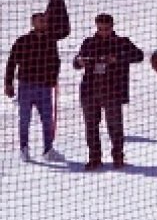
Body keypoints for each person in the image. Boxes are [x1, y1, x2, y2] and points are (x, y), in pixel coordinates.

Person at [73, 13, 144, 170]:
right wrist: (80, 61)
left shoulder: (121, 42)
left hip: (112, 91)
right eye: (100, 29)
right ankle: (94, 157)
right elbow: (76, 62)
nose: (103, 32)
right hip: (90, 90)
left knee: (115, 126)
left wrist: (117, 58)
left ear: (112, 27)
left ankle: (118, 156)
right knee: (91, 126)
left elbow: (139, 55)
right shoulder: (89, 43)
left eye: (106, 28)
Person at [5, 13, 61, 161]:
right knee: (24, 119)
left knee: (47, 119)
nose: (43, 23)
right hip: (26, 85)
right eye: (40, 21)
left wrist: (53, 78)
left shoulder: (51, 40)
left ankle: (48, 150)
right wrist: (8, 83)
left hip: (45, 86)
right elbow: (11, 63)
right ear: (33, 23)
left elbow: (56, 61)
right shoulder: (22, 41)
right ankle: (24, 149)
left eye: (45, 21)